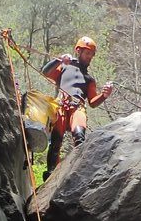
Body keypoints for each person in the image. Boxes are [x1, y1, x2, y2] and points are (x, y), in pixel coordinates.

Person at [40, 37, 113, 178]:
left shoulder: (89, 79)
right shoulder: (65, 67)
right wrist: (59, 60)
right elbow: (46, 72)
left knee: (79, 137)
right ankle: (50, 173)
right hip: (61, 105)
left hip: (77, 107)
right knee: (55, 141)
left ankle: (78, 171)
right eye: (87, 53)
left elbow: (92, 102)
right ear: (78, 51)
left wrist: (104, 95)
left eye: (91, 55)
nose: (89, 57)